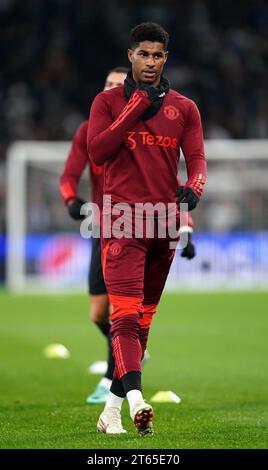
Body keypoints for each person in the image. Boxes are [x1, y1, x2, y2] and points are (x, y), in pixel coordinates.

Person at [87, 22, 206, 435]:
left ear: (165, 58)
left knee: (142, 326)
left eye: (158, 55)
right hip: (121, 223)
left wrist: (194, 188)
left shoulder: (185, 108)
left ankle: (110, 412)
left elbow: (198, 160)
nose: (151, 62)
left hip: (164, 227)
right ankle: (138, 400)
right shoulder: (105, 103)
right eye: (144, 54)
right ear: (130, 55)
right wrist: (136, 106)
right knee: (123, 319)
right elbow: (98, 152)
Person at [60, 67, 128, 404]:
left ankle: (111, 379)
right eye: (108, 84)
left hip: (134, 225)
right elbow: (69, 174)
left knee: (122, 312)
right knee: (99, 314)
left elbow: (165, 179)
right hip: (102, 227)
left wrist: (183, 221)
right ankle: (127, 349)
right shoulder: (88, 130)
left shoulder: (141, 130)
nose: (112, 89)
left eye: (119, 85)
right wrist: (72, 199)